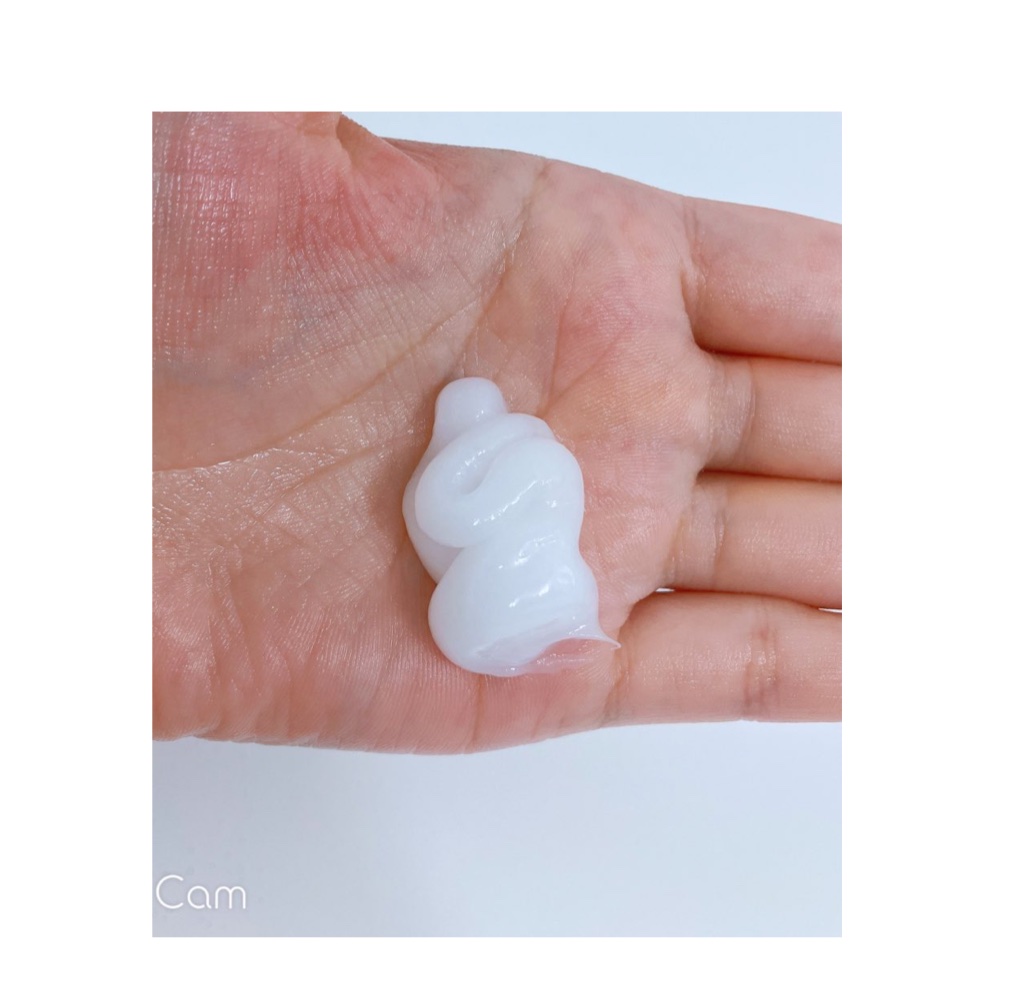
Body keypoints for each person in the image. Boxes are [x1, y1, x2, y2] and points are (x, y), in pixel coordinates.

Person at [153, 113, 841, 751]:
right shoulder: (514, 465)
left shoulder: (520, 466)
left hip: (524, 583)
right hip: (514, 586)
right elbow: (449, 515)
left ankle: (534, 618)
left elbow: (459, 515)